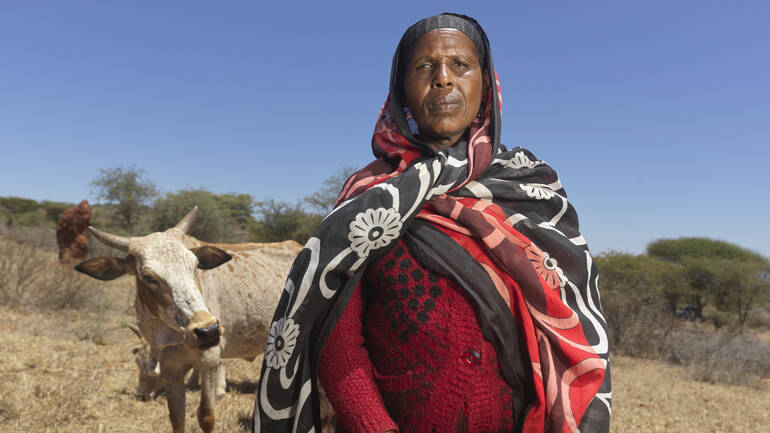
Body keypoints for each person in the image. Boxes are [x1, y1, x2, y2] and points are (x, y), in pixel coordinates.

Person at [253, 13, 610, 433]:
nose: (443, 79)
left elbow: (572, 328)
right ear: (401, 90)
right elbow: (337, 339)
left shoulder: (531, 190)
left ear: (486, 86)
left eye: (460, 65)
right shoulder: (371, 199)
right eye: (424, 67)